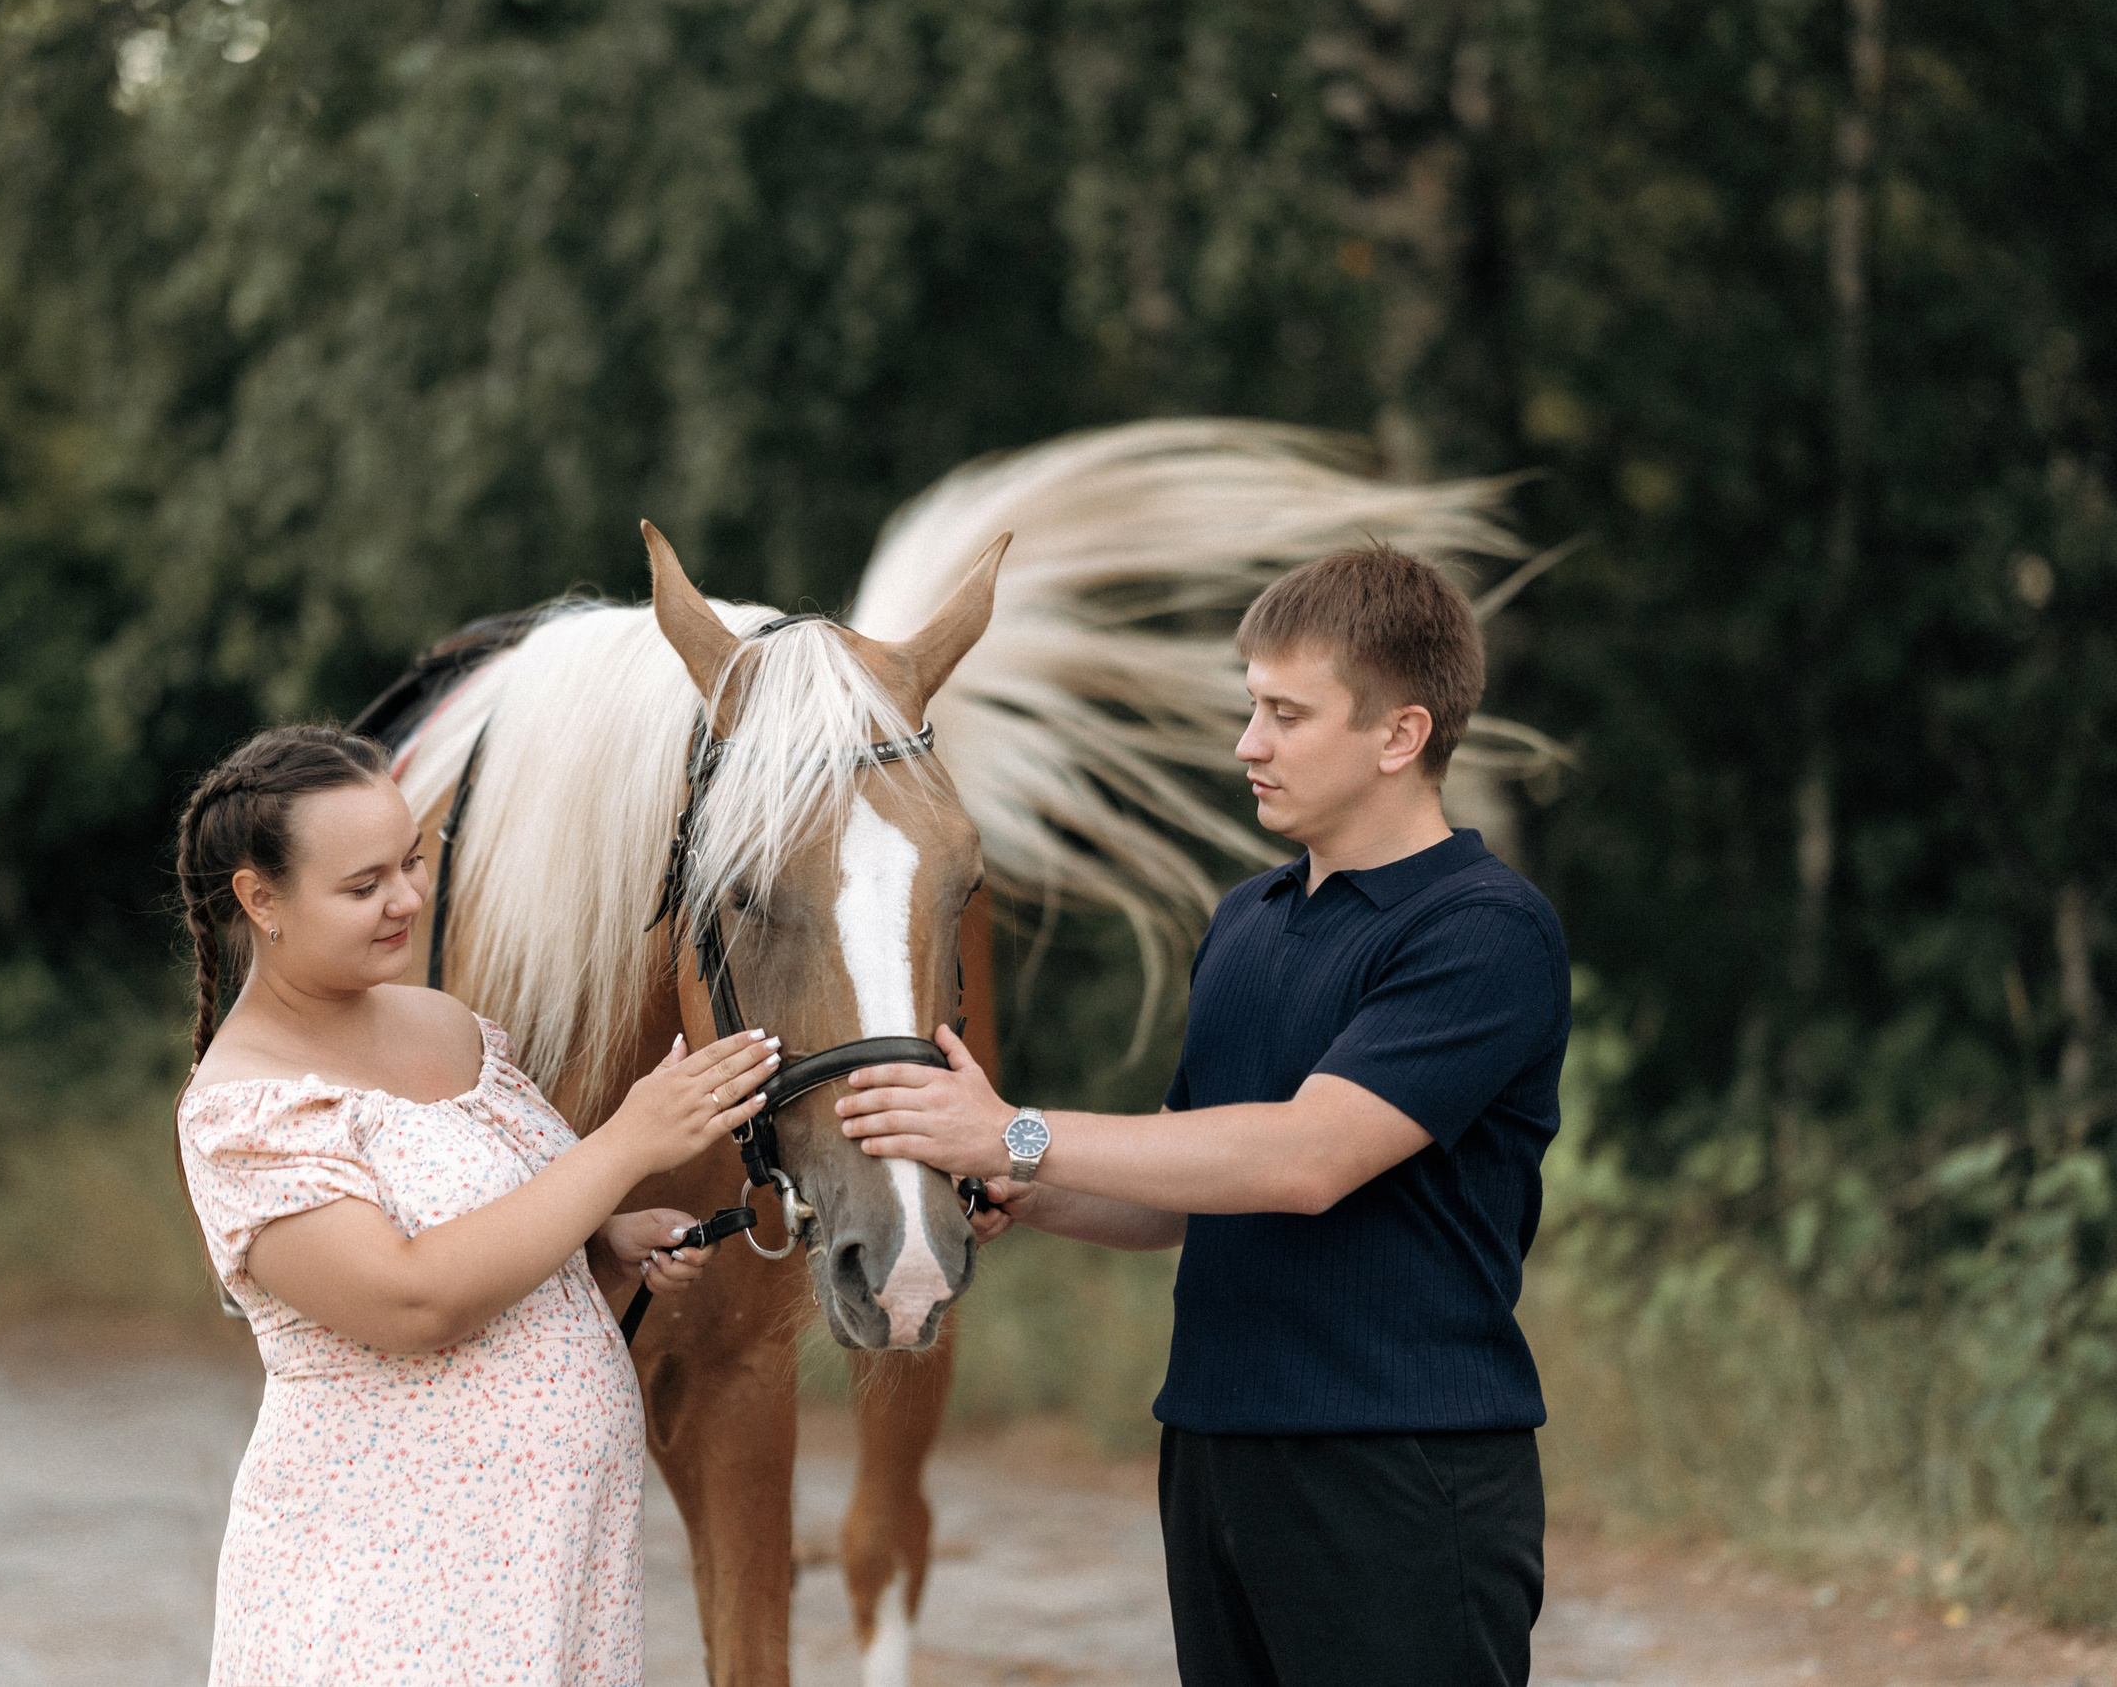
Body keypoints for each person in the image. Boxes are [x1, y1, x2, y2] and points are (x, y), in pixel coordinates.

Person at [836, 548, 1569, 1687]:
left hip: (1400, 1470)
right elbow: (1189, 1192)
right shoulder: (1248, 920)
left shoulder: (1482, 930)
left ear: (1400, 735)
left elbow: (1308, 1159)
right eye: (1250, 707)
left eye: (1286, 715)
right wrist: (1024, 1186)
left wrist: (1016, 1129)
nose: (1247, 745)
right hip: (1216, 1458)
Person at [172, 724, 782, 1686]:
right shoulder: (244, 1109)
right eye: (363, 885)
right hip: (390, 1584)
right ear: (261, 899)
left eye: (411, 862)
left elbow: (508, 1232)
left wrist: (600, 1249)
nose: (408, 899)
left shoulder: (447, 1023)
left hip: (549, 1562)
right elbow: (411, 1300)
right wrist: (626, 1144)